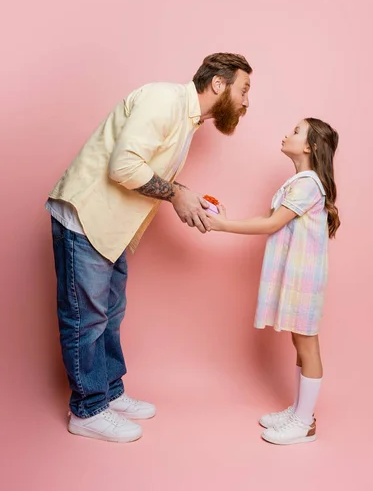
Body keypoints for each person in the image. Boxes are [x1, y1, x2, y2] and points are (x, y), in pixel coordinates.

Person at [45, 53, 252, 443]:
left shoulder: (187, 119)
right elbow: (123, 167)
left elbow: (151, 172)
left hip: (113, 228)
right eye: (244, 89)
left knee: (110, 314)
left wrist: (187, 195)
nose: (246, 102)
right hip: (87, 216)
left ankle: (109, 392)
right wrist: (176, 195)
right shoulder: (165, 100)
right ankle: (87, 410)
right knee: (85, 319)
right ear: (219, 85)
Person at [207, 118, 340, 445]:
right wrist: (226, 219)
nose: (287, 133)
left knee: (307, 344)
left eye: (296, 131)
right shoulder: (298, 181)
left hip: (304, 278)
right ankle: (299, 410)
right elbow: (269, 221)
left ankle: (304, 421)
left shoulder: (308, 183)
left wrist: (223, 227)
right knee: (299, 342)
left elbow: (270, 225)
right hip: (294, 276)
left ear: (309, 146)